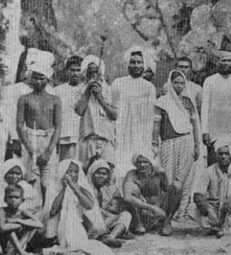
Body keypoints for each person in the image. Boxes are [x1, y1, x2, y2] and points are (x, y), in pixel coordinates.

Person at [46, 159, 117, 255]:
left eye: (76, 172)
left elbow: (89, 205)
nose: (73, 175)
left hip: (76, 225)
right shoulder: (54, 187)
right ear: (63, 172)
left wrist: (74, 188)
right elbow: (52, 211)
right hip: (58, 225)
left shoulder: (81, 187)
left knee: (80, 247)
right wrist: (65, 189)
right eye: (69, 172)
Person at [153, 70, 200, 218]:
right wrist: (154, 142)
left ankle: (181, 212)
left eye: (181, 83)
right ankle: (165, 213)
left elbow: (195, 124)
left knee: (183, 179)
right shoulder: (161, 101)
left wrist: (198, 144)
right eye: (175, 82)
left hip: (186, 142)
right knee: (167, 179)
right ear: (170, 83)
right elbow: (156, 125)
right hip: (168, 143)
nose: (178, 86)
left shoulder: (188, 101)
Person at [17, 52, 61, 202]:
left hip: (48, 141)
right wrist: (31, 149)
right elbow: (19, 125)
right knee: (31, 180)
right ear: (30, 78)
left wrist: (48, 152)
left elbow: (58, 127)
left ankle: (46, 217)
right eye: (35, 77)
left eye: (42, 78)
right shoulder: (24, 99)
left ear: (47, 79)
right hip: (30, 141)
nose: (38, 81)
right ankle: (32, 214)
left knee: (48, 183)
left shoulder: (55, 100)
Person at [2, 48, 55, 160]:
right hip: (23, 139)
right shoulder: (16, 90)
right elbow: (11, 116)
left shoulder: (50, 91)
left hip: (44, 139)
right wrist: (15, 139)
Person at [112, 47, 156, 176]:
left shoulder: (149, 87)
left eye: (139, 62)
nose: (136, 65)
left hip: (142, 133)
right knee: (121, 164)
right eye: (133, 62)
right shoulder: (118, 83)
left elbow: (151, 116)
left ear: (144, 65)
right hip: (122, 132)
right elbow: (113, 110)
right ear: (127, 64)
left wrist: (151, 140)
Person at [201, 50, 231, 164]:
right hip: (215, 131)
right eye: (223, 60)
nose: (226, 63)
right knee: (214, 164)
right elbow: (205, 107)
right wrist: (205, 131)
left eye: (228, 61)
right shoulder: (209, 81)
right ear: (218, 62)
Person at [74, 55, 117, 167]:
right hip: (88, 140)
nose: (93, 74)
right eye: (90, 71)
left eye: (96, 71)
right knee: (86, 171)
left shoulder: (109, 90)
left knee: (106, 172)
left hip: (106, 139)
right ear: (86, 73)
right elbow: (79, 111)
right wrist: (88, 90)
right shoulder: (79, 90)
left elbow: (114, 115)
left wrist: (99, 97)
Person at [122, 152, 177, 236]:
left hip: (159, 209)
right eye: (139, 162)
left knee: (177, 186)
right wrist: (152, 208)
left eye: (145, 162)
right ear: (135, 164)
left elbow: (167, 191)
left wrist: (164, 176)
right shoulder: (132, 174)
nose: (142, 165)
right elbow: (127, 197)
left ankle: (167, 223)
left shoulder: (159, 172)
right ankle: (138, 224)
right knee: (132, 189)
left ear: (150, 163)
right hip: (141, 212)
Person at [87, 160, 134, 247]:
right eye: (98, 173)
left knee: (126, 214)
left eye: (104, 174)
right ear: (92, 173)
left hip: (107, 220)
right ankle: (98, 235)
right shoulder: (88, 187)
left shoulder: (106, 188)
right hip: (92, 221)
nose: (101, 176)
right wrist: (106, 213)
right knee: (109, 217)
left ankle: (110, 237)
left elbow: (116, 201)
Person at [0, 185, 42, 255]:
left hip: (19, 245)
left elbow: (40, 225)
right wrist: (19, 225)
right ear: (5, 199)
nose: (13, 200)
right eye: (10, 197)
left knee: (30, 228)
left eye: (16, 197)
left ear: (22, 200)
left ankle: (12, 254)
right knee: (10, 231)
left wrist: (18, 220)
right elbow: (2, 228)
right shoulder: (2, 211)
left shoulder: (23, 212)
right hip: (4, 244)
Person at [53, 56, 84, 161]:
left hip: (81, 134)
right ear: (67, 71)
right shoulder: (58, 90)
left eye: (78, 70)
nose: (75, 73)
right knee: (64, 165)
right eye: (72, 70)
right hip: (64, 135)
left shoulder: (86, 89)